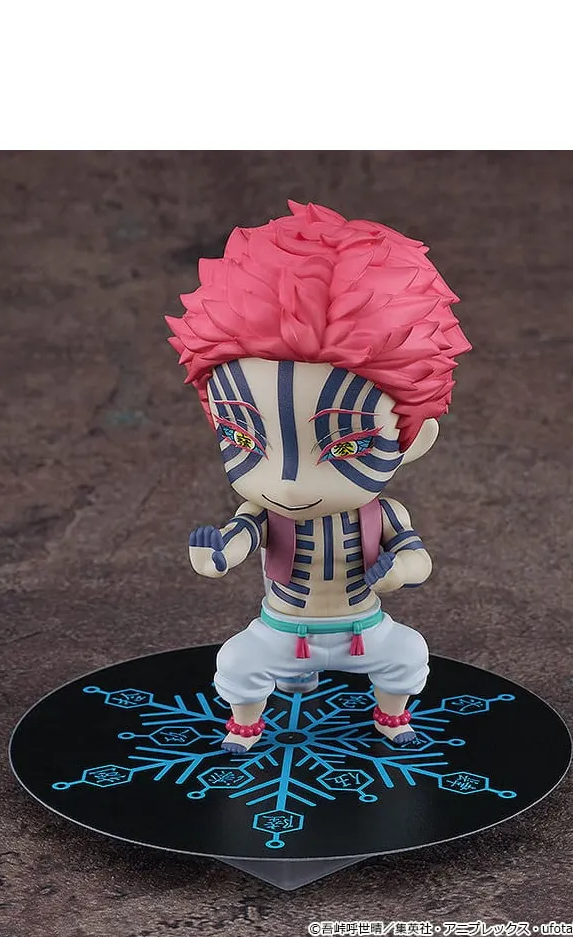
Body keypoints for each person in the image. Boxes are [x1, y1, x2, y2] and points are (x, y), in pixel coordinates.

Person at [166, 201, 471, 752]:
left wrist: (400, 571)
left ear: (413, 440)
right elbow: (239, 537)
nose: (289, 484)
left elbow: (417, 558)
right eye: (242, 437)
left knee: (408, 654)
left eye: (346, 443)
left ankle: (392, 716)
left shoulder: (385, 513)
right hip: (283, 631)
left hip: (364, 629)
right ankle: (245, 724)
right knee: (237, 663)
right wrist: (215, 556)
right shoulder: (263, 511)